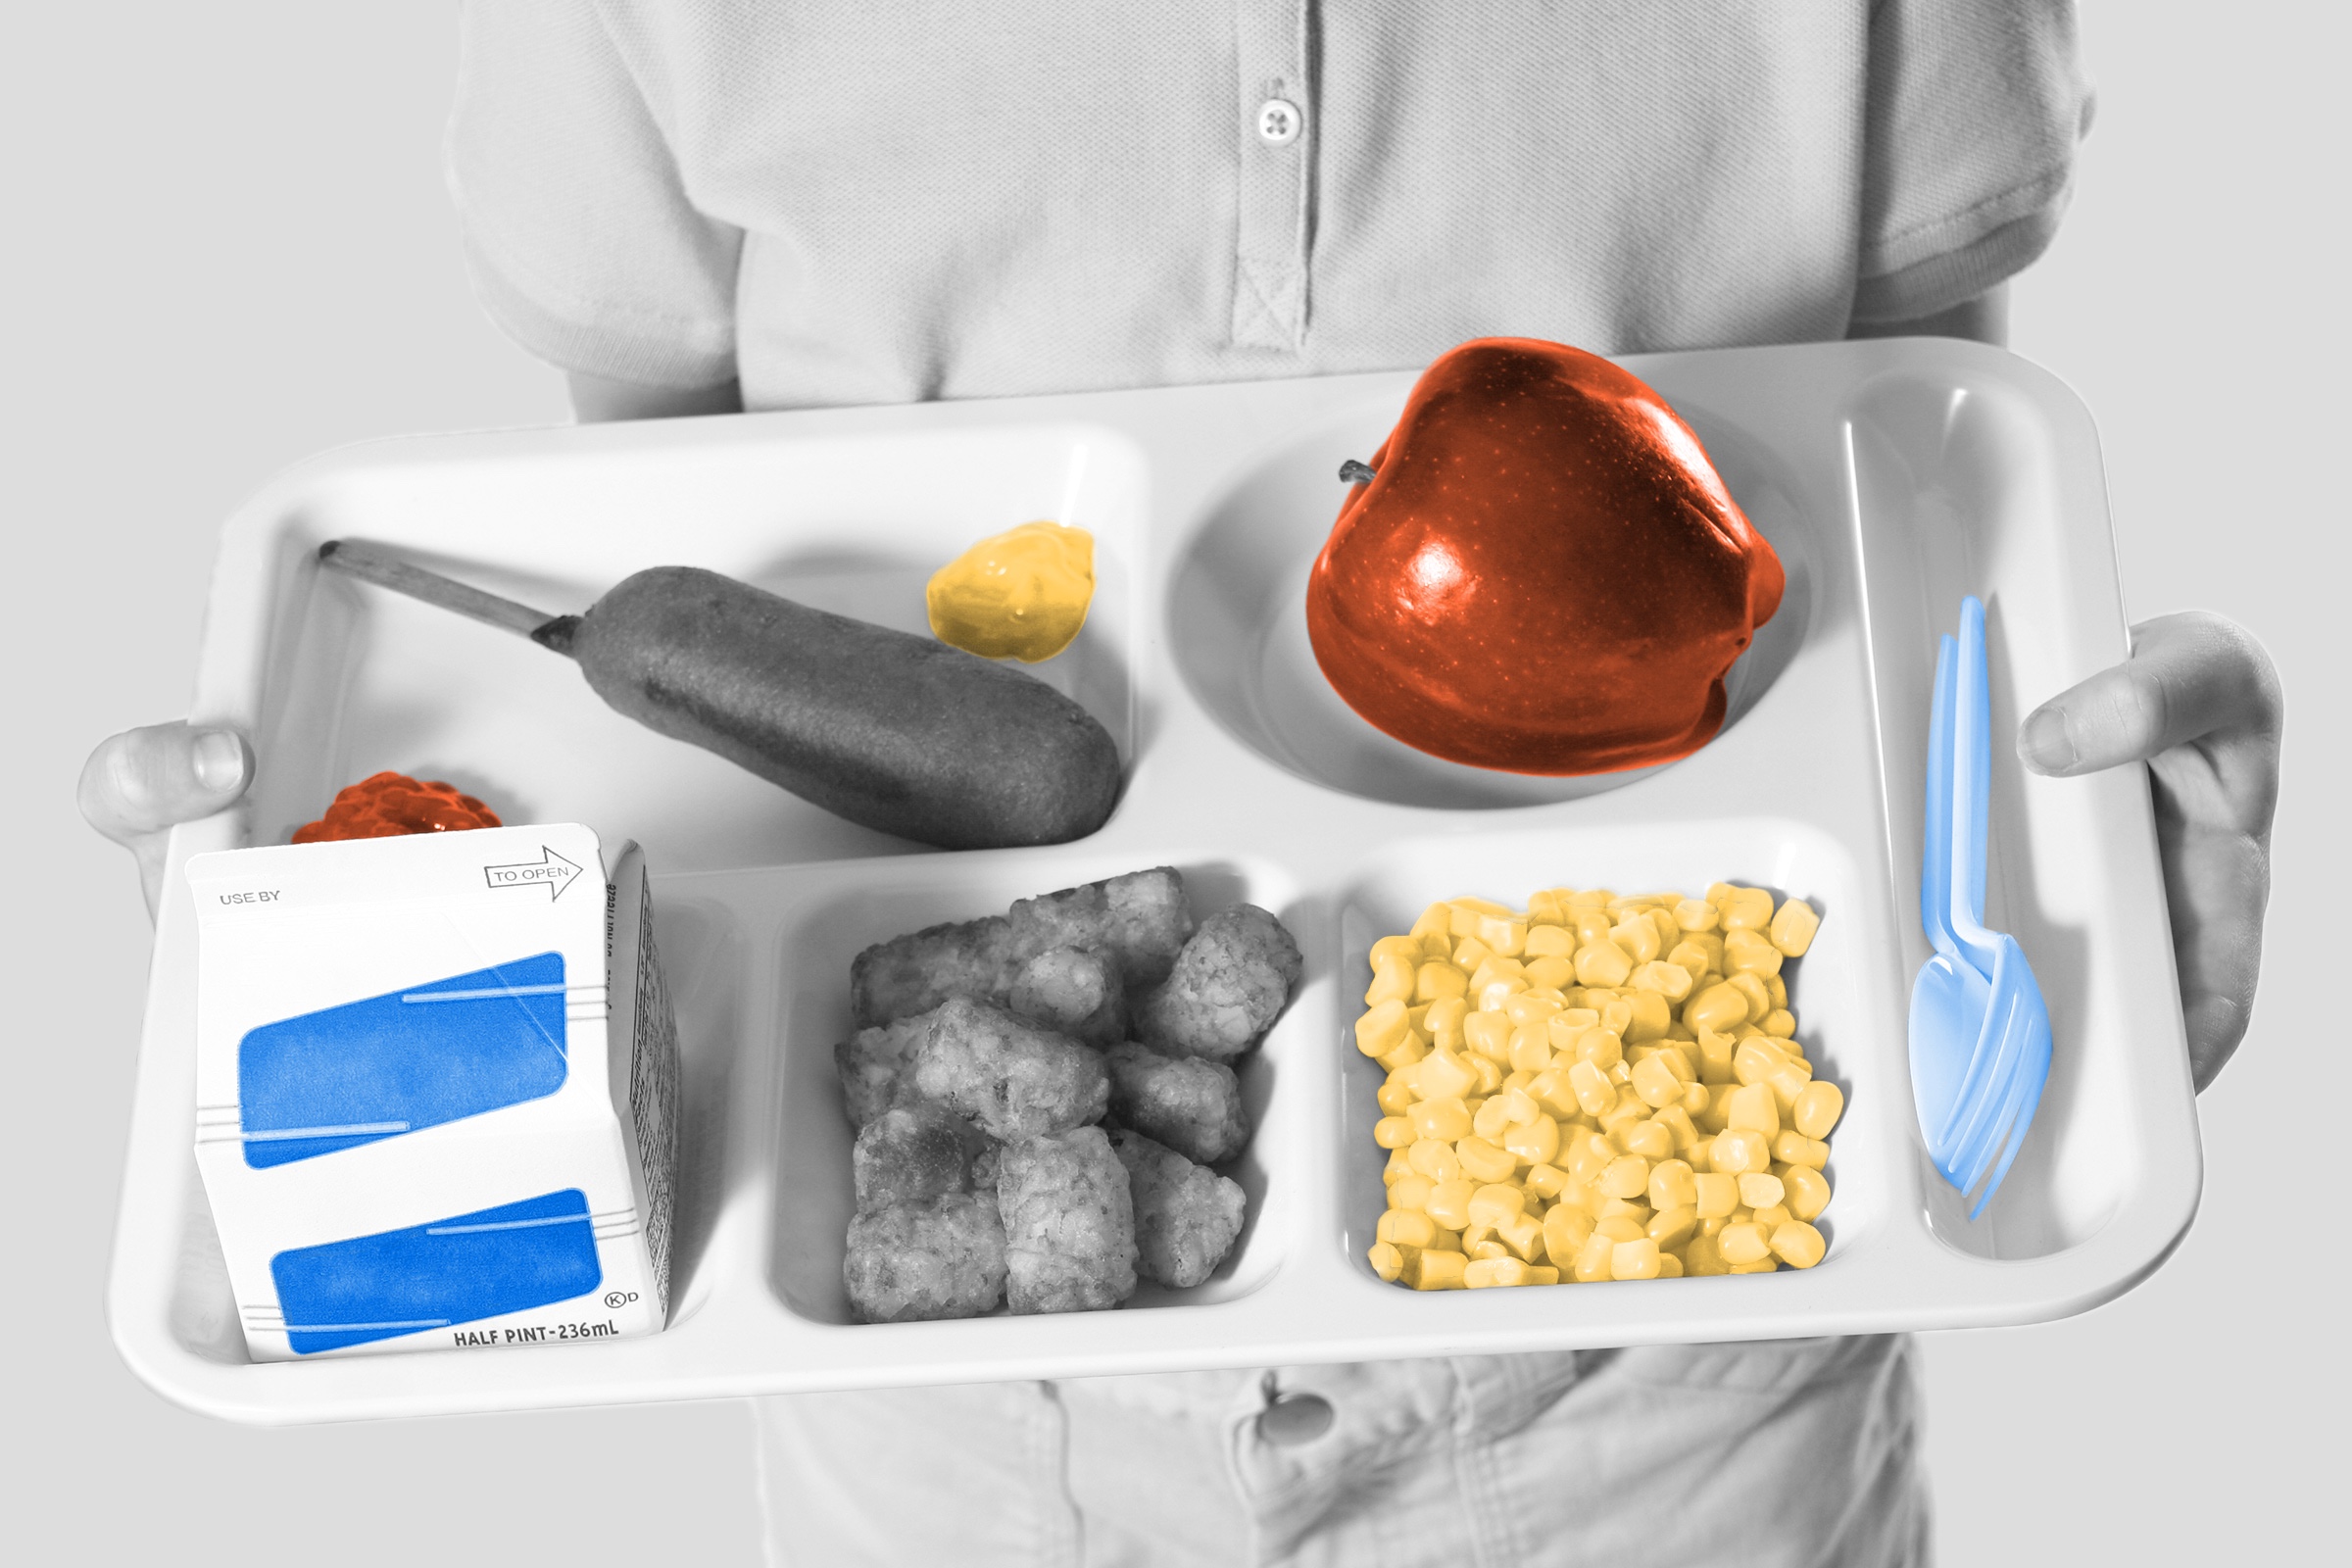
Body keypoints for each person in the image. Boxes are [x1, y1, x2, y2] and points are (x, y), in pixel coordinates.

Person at [80, 4, 2282, 1563]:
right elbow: (671, 542)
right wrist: (376, 937)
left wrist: (2051, 886)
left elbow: (1913, 471)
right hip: (938, 1454)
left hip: (1690, 1425)